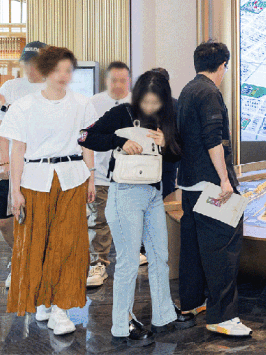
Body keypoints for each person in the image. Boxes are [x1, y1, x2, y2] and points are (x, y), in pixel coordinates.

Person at [80, 70, 194, 346]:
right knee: (129, 262)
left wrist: (167, 144)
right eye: (147, 101)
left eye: (156, 102)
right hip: (125, 193)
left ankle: (164, 315)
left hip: (154, 193)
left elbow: (177, 154)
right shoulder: (121, 113)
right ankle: (122, 324)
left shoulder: (167, 117)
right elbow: (85, 137)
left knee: (160, 257)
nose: (151, 106)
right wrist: (119, 141)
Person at [0, 46, 97, 335]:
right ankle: (43, 300)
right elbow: (17, 150)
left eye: (68, 69)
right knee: (36, 242)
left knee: (69, 245)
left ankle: (61, 309)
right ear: (45, 71)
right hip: (35, 179)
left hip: (72, 178)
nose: (64, 75)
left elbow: (86, 143)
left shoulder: (82, 104)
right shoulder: (24, 106)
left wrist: (91, 178)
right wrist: (15, 190)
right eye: (58, 69)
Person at [176, 41, 251, 337]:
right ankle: (222, 316)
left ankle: (192, 302)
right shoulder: (209, 92)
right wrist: (224, 180)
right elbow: (213, 140)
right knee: (223, 248)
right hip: (211, 183)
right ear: (222, 66)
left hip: (190, 182)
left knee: (193, 246)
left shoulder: (188, 90)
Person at [0, 40, 46, 289]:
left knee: (35, 220)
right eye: (26, 62)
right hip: (10, 164)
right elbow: (2, 128)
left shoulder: (53, 88)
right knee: (4, 221)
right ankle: (21, 257)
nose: (30, 67)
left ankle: (30, 263)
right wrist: (4, 159)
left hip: (39, 166)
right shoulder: (11, 87)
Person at [86, 61, 133, 288]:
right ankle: (98, 263)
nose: (118, 85)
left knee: (130, 218)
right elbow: (84, 139)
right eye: (114, 80)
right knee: (99, 221)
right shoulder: (93, 103)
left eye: (123, 80)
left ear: (129, 81)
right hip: (101, 174)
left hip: (131, 176)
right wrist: (89, 173)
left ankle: (133, 254)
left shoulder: (137, 104)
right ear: (106, 81)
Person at [150, 67, 180, 201]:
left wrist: (166, 141)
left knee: (166, 201)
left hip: (167, 164)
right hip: (146, 165)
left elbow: (181, 138)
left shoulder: (176, 106)